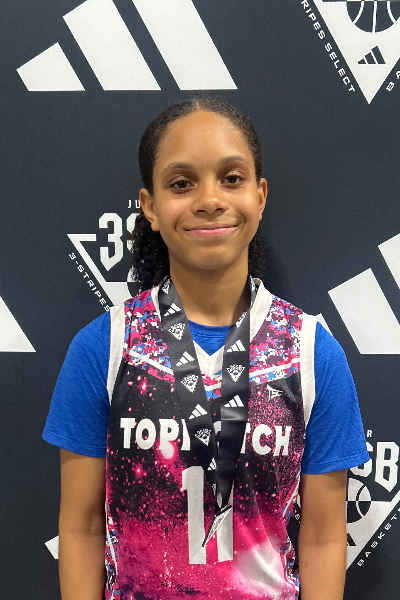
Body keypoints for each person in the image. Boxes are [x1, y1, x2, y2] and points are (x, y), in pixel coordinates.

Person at [42, 97, 369, 600]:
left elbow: (324, 537)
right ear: (151, 207)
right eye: (181, 183)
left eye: (232, 178)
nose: (210, 199)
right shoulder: (103, 348)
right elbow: (81, 527)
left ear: (260, 196)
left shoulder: (311, 352)